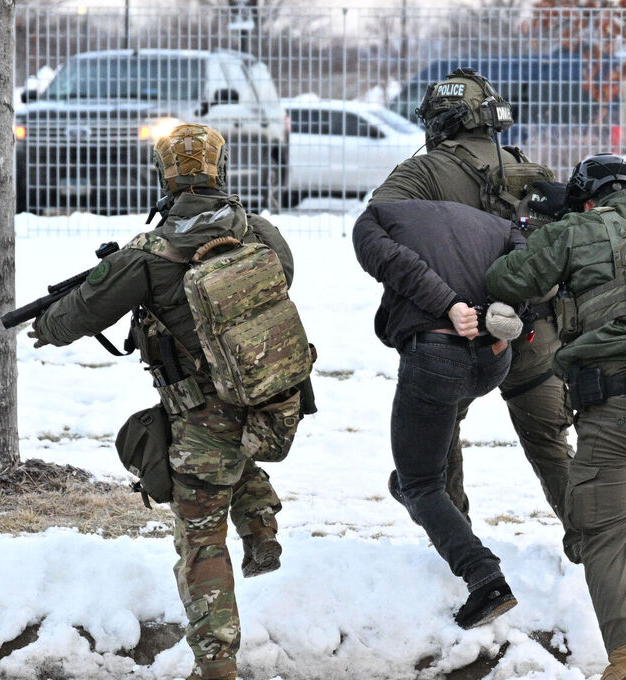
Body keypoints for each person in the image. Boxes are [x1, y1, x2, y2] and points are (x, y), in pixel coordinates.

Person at [29, 123, 307, 680]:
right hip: (269, 396)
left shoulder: (148, 253)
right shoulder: (260, 232)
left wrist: (45, 325)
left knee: (200, 542)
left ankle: (217, 665)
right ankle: (261, 529)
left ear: (166, 177)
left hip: (201, 413)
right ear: (220, 171)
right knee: (231, 447)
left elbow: (78, 314)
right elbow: (283, 282)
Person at [486, 154, 626, 680]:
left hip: (618, 406)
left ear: (587, 199)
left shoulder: (577, 230)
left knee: (604, 530)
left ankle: (625, 660)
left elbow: (506, 278)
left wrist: (549, 230)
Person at [369, 68, 578, 544]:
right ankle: (590, 543)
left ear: (439, 122)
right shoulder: (532, 171)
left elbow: (379, 225)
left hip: (454, 332)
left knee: (438, 442)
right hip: (531, 332)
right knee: (549, 444)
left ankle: (457, 544)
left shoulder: (420, 172)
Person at [352, 198, 527, 629]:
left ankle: (484, 578)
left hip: (435, 358)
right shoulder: (499, 224)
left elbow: (395, 263)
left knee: (420, 481)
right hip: (494, 359)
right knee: (428, 446)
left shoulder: (373, 218)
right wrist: (501, 312)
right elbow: (526, 266)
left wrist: (449, 303)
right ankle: (419, 491)